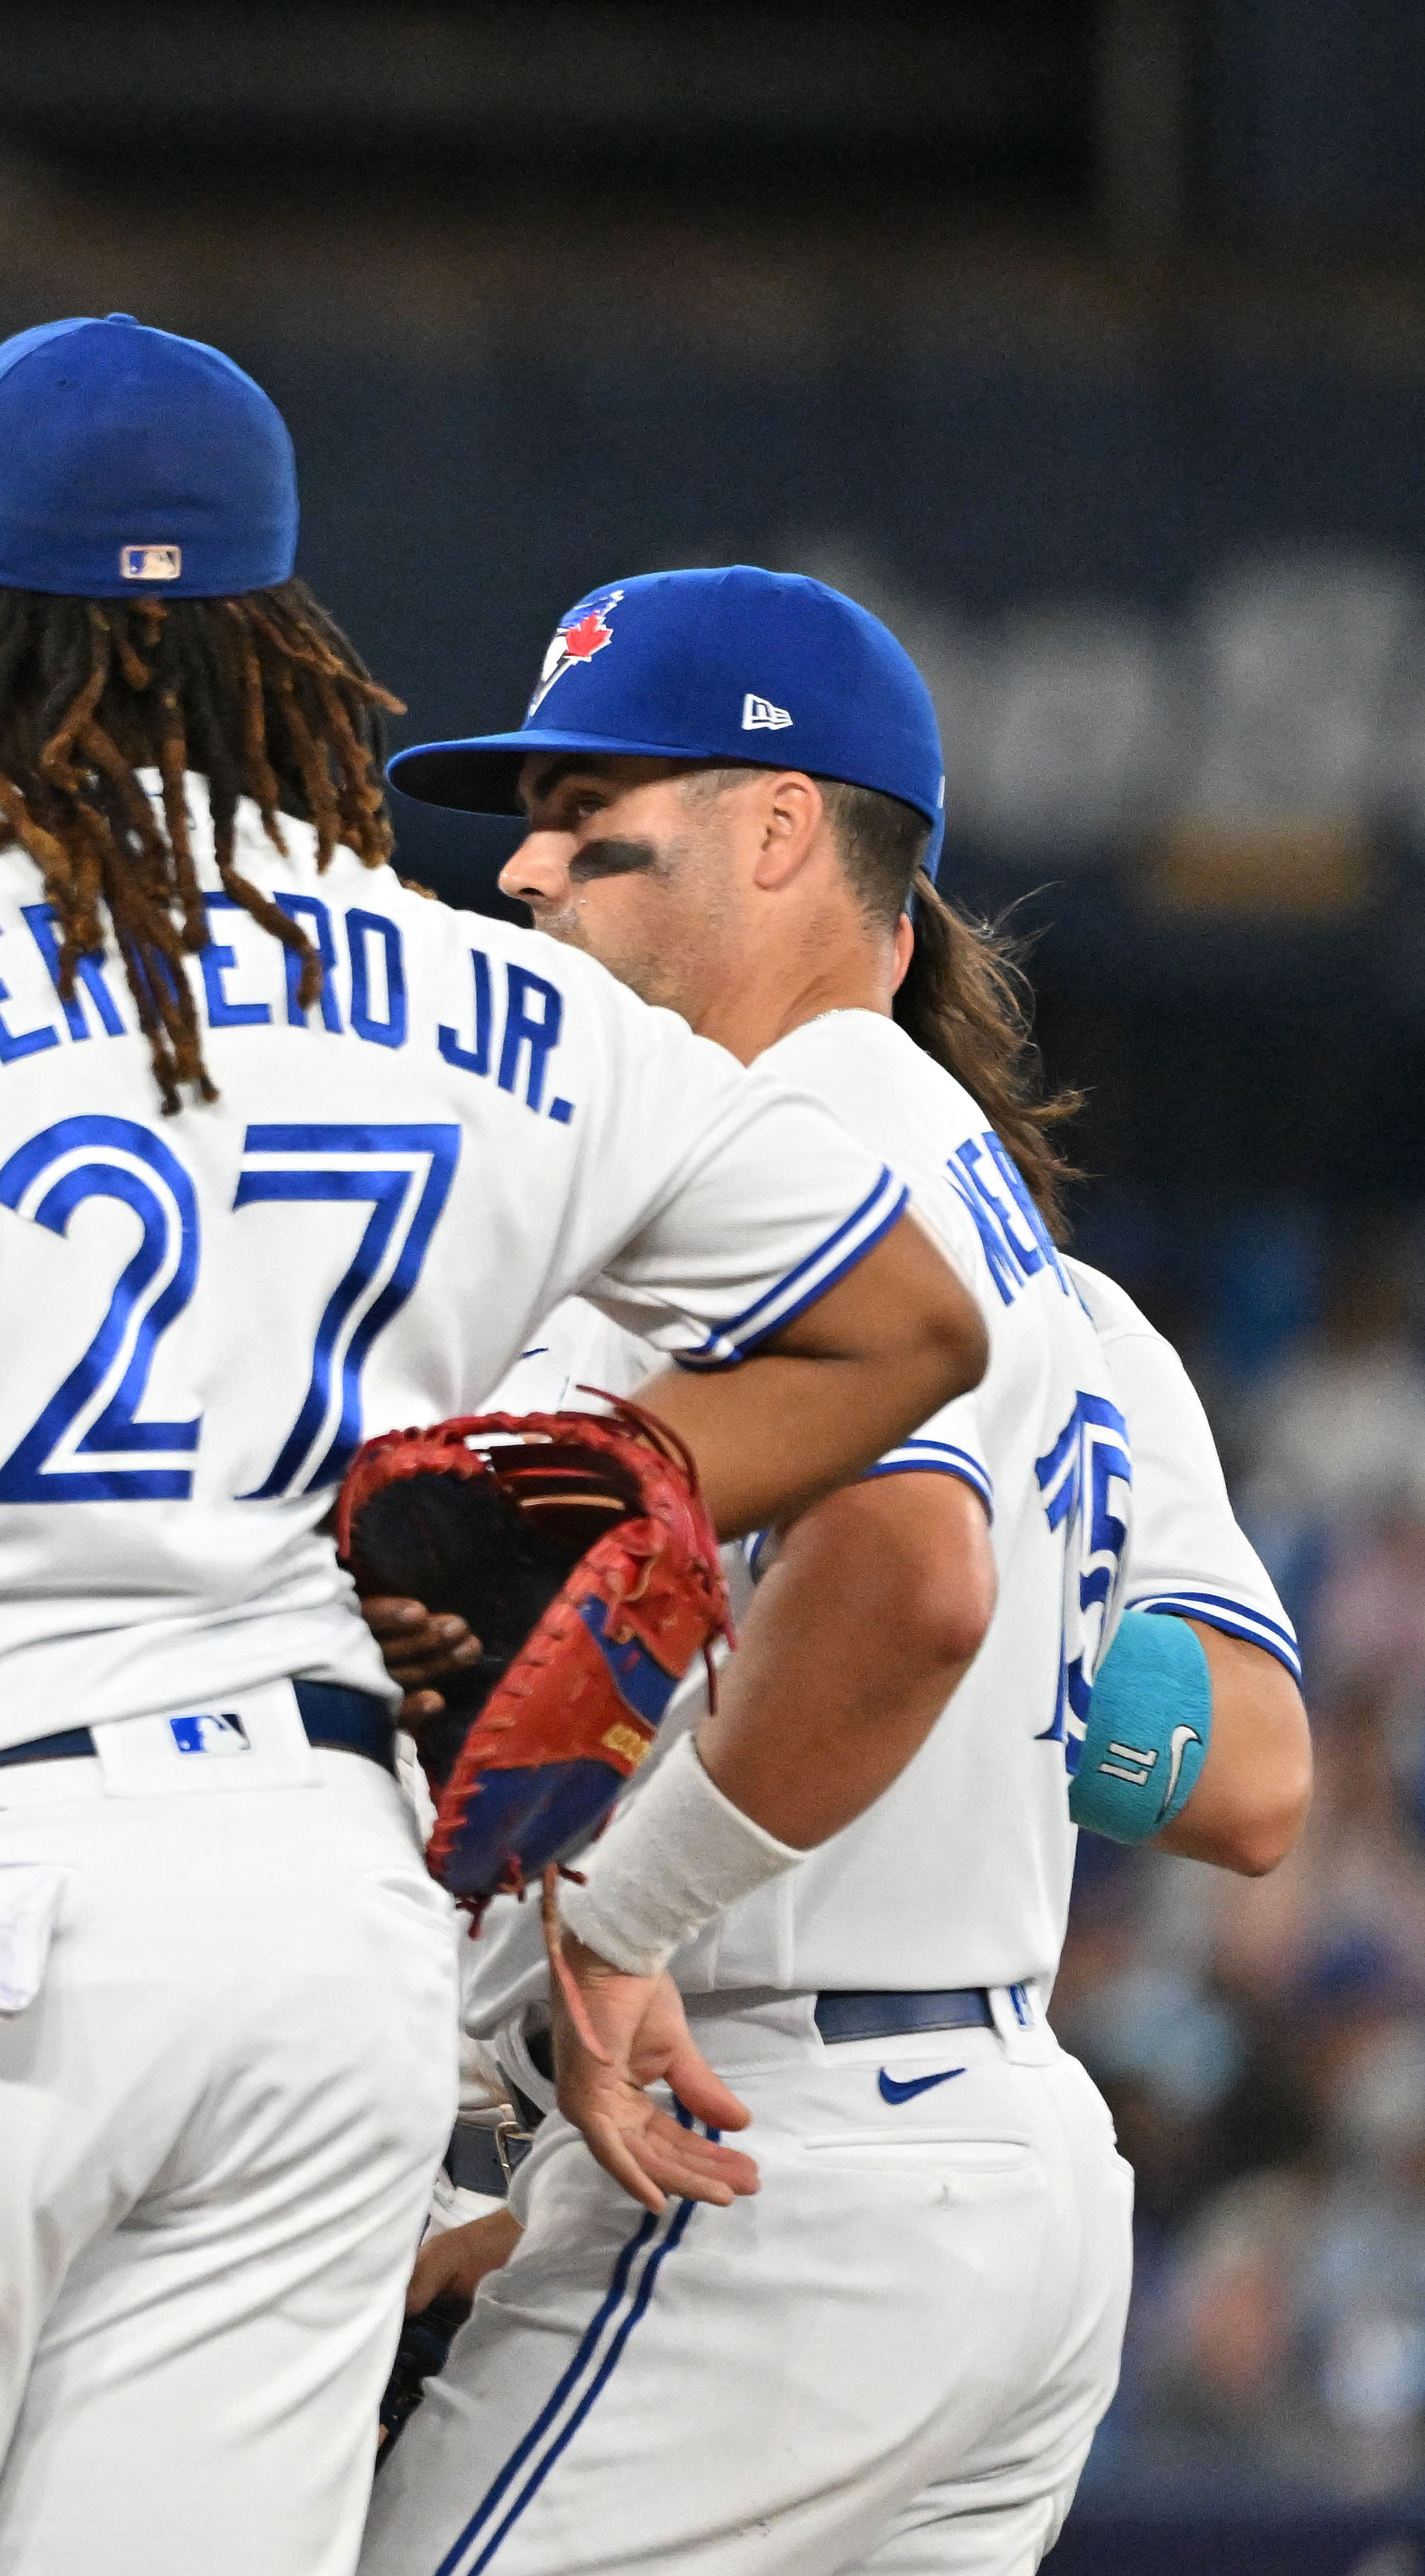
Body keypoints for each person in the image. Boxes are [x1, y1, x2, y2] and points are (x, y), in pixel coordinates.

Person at [0, 317, 988, 2575]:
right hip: (311, 1934)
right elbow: (903, 1325)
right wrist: (625, 1478)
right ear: (274, 629)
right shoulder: (499, 996)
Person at [363, 566, 1304, 2576]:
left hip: (771, 2142)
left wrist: (628, 1914)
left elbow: (918, 1582)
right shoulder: (1057, 1276)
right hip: (988, 2154)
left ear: (780, 828)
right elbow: (1246, 1774)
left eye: (584, 810)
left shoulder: (821, 1144)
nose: (524, 874)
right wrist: (1024, 1679)